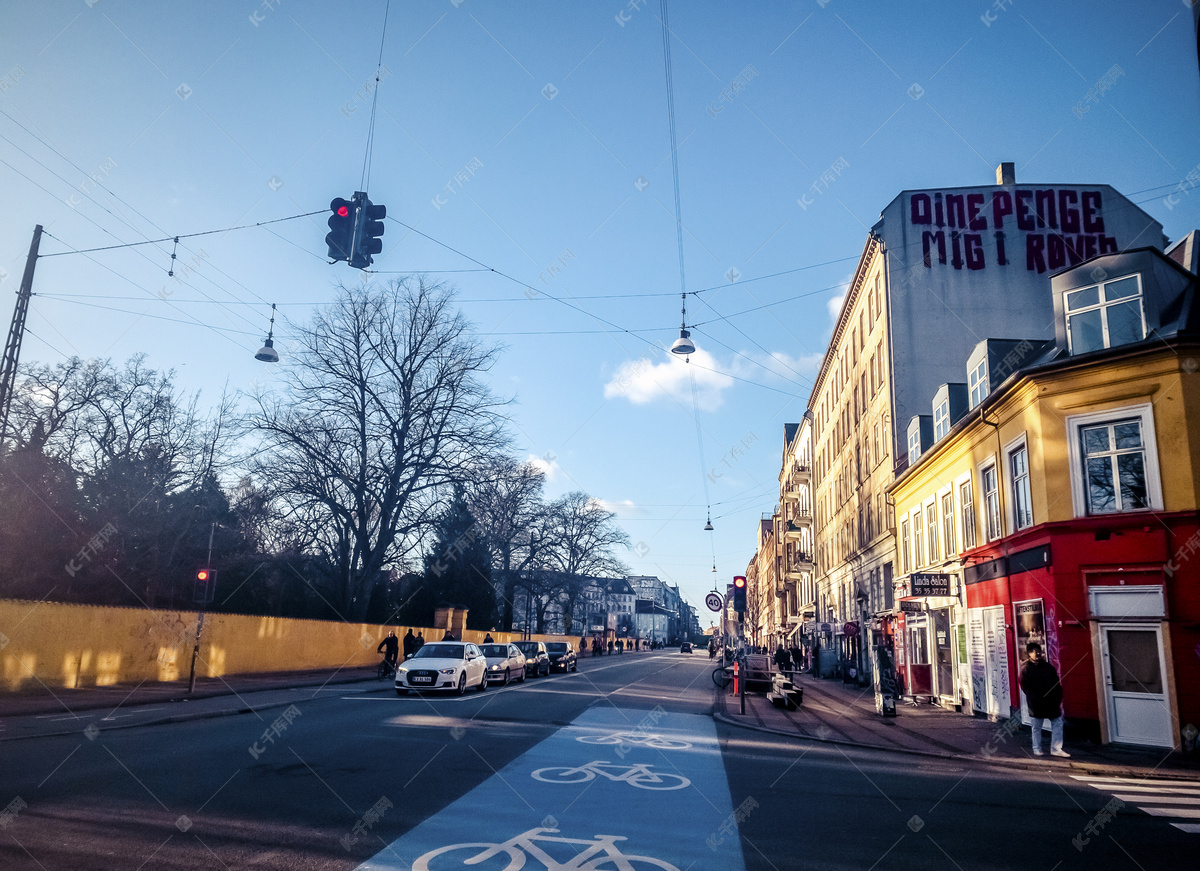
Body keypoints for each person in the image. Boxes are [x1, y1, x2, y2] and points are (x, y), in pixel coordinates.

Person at [1019, 642, 1070, 757]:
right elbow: (1025, 687)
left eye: (1038, 651)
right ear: (1028, 654)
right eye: (1033, 651)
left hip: (1051, 702)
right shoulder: (1026, 669)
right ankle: (1037, 748)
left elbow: (1056, 683)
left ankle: (1056, 749)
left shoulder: (1048, 667)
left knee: (1057, 723)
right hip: (1036, 703)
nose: (1036, 653)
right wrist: (1035, 698)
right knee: (1036, 727)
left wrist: (1058, 697)